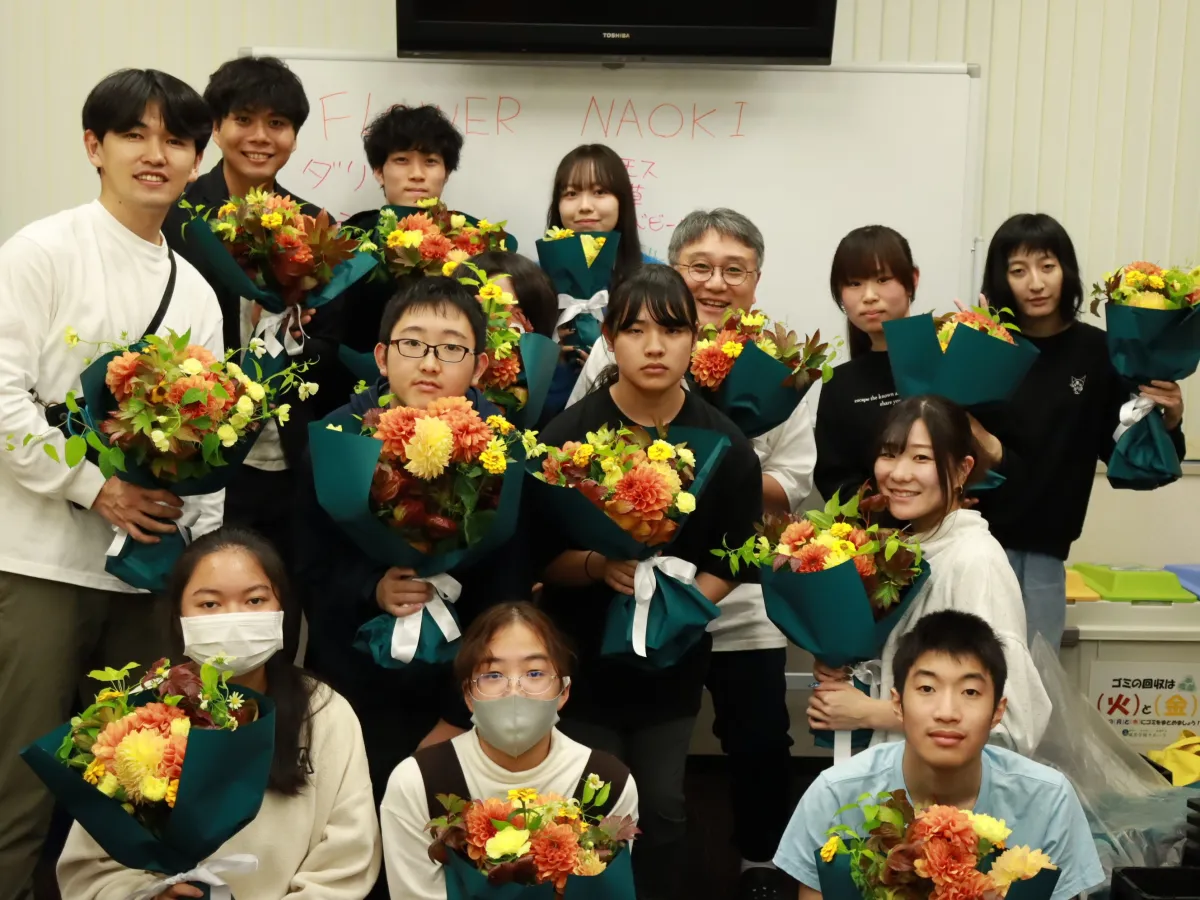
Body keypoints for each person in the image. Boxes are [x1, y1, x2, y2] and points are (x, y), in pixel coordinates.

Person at [0, 68, 223, 900]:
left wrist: (197, 567)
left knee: (137, 779)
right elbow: (3, 396)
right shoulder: (42, 250)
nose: (156, 154)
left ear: (196, 161)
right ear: (95, 147)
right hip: (39, 563)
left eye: (176, 140)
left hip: (145, 579)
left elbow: (213, 443)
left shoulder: (195, 291)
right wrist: (95, 488)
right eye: (135, 134)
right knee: (19, 782)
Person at [574, 208, 807, 898]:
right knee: (644, 754)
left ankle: (761, 864)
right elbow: (579, 453)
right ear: (674, 270)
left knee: (758, 736)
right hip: (628, 590)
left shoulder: (783, 363)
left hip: (737, 588)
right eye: (699, 267)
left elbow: (793, 483)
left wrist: (705, 473)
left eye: (735, 269)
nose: (716, 282)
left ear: (757, 280)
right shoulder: (623, 340)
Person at [536, 264, 763, 900]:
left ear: (695, 339)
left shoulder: (726, 444)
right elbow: (537, 558)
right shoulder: (568, 438)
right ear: (610, 338)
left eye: (672, 330)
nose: (655, 346)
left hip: (673, 658)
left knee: (662, 804)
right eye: (635, 331)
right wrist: (597, 566)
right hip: (582, 654)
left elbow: (737, 556)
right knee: (588, 803)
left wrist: (681, 610)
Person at [295, 277, 534, 830]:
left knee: (450, 832)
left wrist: (461, 711)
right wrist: (371, 587)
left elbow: (510, 586)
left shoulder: (504, 450)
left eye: (451, 348)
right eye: (412, 343)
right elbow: (306, 562)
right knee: (352, 825)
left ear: (479, 367)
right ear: (382, 356)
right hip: (353, 677)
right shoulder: (337, 439)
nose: (429, 363)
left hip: (459, 685)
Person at [57, 527, 381, 898]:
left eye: (255, 600)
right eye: (210, 604)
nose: (234, 617)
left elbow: (348, 856)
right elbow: (92, 869)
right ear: (178, 615)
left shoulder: (323, 711)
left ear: (282, 610)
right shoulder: (136, 718)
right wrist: (149, 894)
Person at [162, 56, 323, 655]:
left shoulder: (313, 225)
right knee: (201, 629)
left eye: (277, 123)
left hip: (290, 461)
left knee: (278, 623)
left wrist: (300, 331)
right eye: (245, 119)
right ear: (216, 126)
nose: (261, 136)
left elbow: (331, 346)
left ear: (294, 136)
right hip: (206, 459)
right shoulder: (178, 217)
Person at [777, 610, 1105, 900]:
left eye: (970, 692)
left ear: (997, 711)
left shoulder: (1048, 801)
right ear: (897, 703)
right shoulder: (837, 794)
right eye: (927, 689)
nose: (947, 712)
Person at [971, 214, 1186, 652]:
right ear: (1000, 279)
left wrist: (1168, 420)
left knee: (1035, 678)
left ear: (1066, 270)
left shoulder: (1100, 352)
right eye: (1018, 270)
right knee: (966, 673)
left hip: (1047, 551)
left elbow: (1125, 454)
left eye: (1047, 266)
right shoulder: (985, 346)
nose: (1036, 283)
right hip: (976, 543)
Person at [809, 396, 1051, 756]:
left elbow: (1008, 721)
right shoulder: (904, 547)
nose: (899, 473)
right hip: (898, 767)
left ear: (962, 470)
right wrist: (847, 668)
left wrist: (870, 712)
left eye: (921, 458)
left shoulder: (975, 562)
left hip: (946, 784)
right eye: (889, 454)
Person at [380, 602, 640, 900]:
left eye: (534, 673)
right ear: (468, 695)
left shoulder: (606, 782)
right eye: (493, 675)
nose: (514, 691)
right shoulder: (418, 782)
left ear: (564, 691)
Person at [336, 104, 466, 357]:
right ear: (378, 171)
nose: (416, 174)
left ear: (447, 173)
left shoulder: (469, 241)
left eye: (430, 161)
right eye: (401, 160)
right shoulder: (351, 239)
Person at [810, 225, 918, 502]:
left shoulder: (948, 358)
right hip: (876, 527)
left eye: (883, 279)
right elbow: (835, 479)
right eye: (854, 283)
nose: (869, 295)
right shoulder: (839, 383)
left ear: (912, 280)